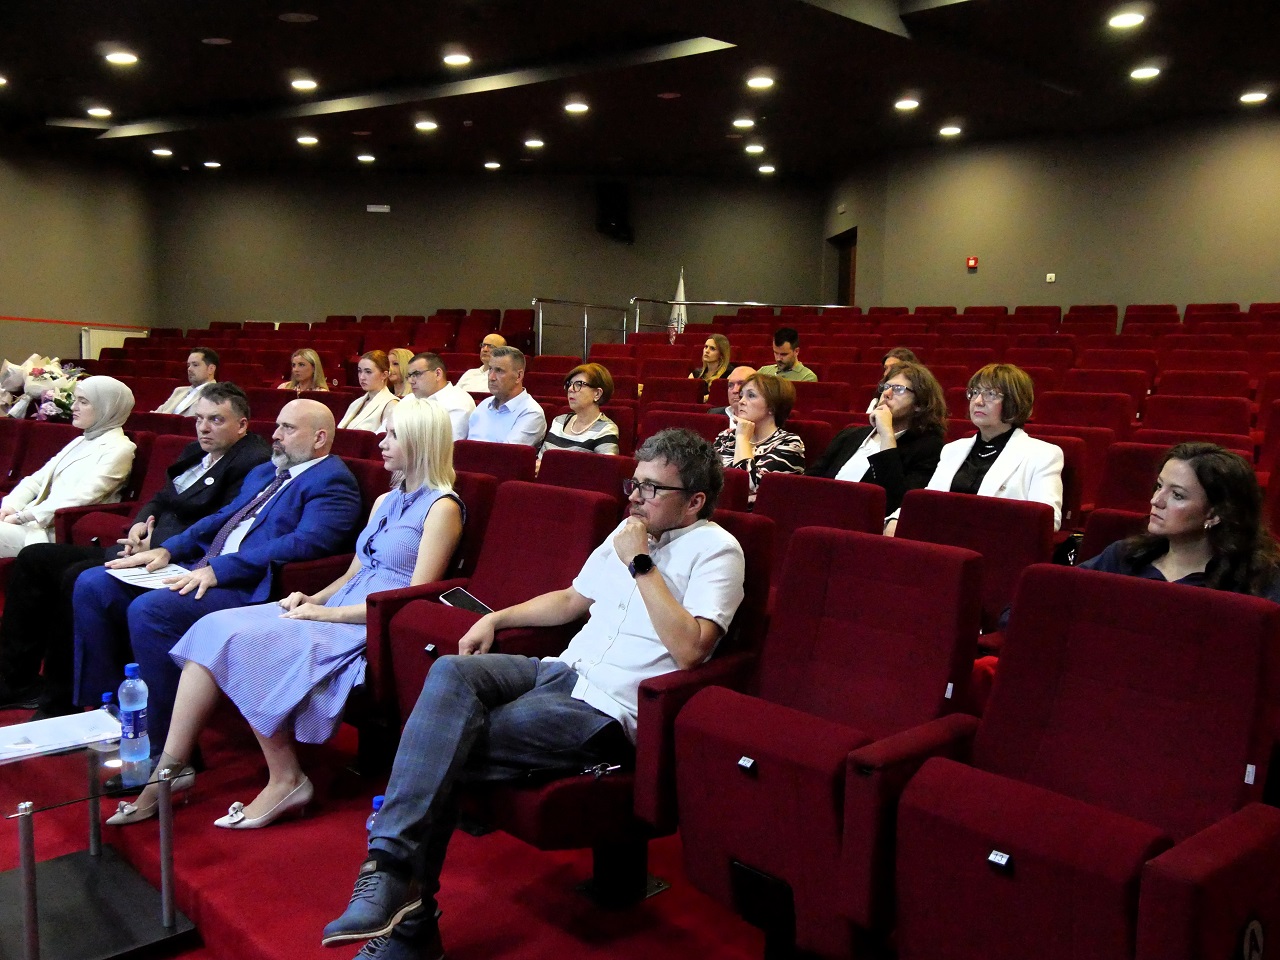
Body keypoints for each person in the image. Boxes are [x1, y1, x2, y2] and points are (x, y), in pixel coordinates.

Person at [321, 429, 745, 959]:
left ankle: (404, 906)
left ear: (695, 501)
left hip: (608, 708)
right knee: (452, 672)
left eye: (651, 488)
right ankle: (395, 878)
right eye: (633, 483)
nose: (634, 497)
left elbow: (691, 650)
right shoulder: (628, 531)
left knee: (442, 746)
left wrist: (641, 563)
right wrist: (496, 618)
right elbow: (571, 600)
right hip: (561, 672)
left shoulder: (717, 550)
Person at [107, 399, 465, 828]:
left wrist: (327, 616)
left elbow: (409, 596)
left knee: (242, 643)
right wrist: (313, 599)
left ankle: (286, 779)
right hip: (338, 608)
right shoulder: (386, 500)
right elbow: (354, 572)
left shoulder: (443, 508)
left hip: (367, 624)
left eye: (393, 436)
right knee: (211, 628)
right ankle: (169, 771)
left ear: (421, 442)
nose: (381, 443)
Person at [71, 399, 363, 758]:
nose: (275, 435)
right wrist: (168, 550)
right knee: (94, 584)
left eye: (288, 428)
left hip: (250, 585)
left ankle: (166, 748)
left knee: (151, 610)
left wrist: (221, 569)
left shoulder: (332, 481)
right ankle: (110, 714)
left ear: (319, 438)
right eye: (278, 425)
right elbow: (222, 517)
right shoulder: (266, 472)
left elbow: (307, 543)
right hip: (203, 566)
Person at [0, 383, 271, 715]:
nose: (203, 427)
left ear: (241, 425)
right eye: (199, 418)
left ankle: (62, 700)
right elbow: (161, 497)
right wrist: (140, 524)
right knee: (35, 558)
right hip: (147, 547)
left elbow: (220, 523)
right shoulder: (196, 450)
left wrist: (157, 544)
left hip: (182, 559)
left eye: (216, 420)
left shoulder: (252, 461)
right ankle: (16, 680)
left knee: (76, 576)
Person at [1080, 442, 1280, 598]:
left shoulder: (1258, 582)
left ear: (1215, 514)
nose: (1155, 501)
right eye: (1159, 486)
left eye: (1177, 495)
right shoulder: (1123, 557)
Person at [889, 363, 1063, 534]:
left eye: (991, 394)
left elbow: (1049, 520)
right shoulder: (953, 450)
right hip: (945, 538)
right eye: (974, 393)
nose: (978, 401)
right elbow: (928, 499)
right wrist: (896, 518)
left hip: (996, 541)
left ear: (1014, 401)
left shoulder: (1043, 454)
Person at [0, 376, 136, 559]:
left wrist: (22, 517)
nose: (73, 407)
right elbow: (36, 480)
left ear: (106, 408)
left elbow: (82, 497)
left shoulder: (120, 448)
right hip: (30, 523)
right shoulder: (80, 440)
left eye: (83, 402)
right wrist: (10, 506)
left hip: (51, 531)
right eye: (75, 400)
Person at [808, 361, 947, 517]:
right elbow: (810, 481)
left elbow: (895, 503)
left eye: (898, 389)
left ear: (919, 404)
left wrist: (887, 434)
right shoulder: (849, 435)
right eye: (886, 387)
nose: (887, 393)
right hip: (820, 512)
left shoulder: (928, 448)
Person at [712, 372, 805, 508]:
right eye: (742, 395)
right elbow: (703, 478)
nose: (741, 401)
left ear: (772, 407)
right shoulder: (726, 436)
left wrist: (742, 437)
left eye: (751, 395)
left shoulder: (790, 444)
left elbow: (746, 486)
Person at [466, 346, 547, 447]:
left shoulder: (531, 413)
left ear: (518, 376)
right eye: (490, 369)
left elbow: (506, 454)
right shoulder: (484, 405)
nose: (491, 377)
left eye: (499, 371)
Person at [540, 363, 620, 459]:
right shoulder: (559, 421)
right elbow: (541, 460)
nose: (570, 389)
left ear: (597, 393)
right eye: (570, 384)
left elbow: (606, 467)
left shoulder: (606, 429)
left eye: (579, 384)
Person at [405, 352, 474, 441]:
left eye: (416, 374)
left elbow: (445, 445)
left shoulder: (459, 403)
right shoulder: (408, 399)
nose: (411, 381)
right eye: (409, 376)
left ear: (438, 374)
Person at [339, 350, 399, 432]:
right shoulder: (356, 403)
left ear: (384, 375)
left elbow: (385, 437)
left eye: (368, 372)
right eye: (359, 371)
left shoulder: (392, 405)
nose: (362, 377)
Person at [155, 348, 219, 415]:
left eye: (195, 365)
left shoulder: (216, 394)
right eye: (188, 365)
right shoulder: (179, 391)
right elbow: (157, 413)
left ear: (211, 369)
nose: (189, 369)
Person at [689, 334, 731, 400]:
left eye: (712, 348)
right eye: (706, 347)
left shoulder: (729, 374)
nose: (707, 351)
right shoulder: (695, 374)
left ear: (721, 354)